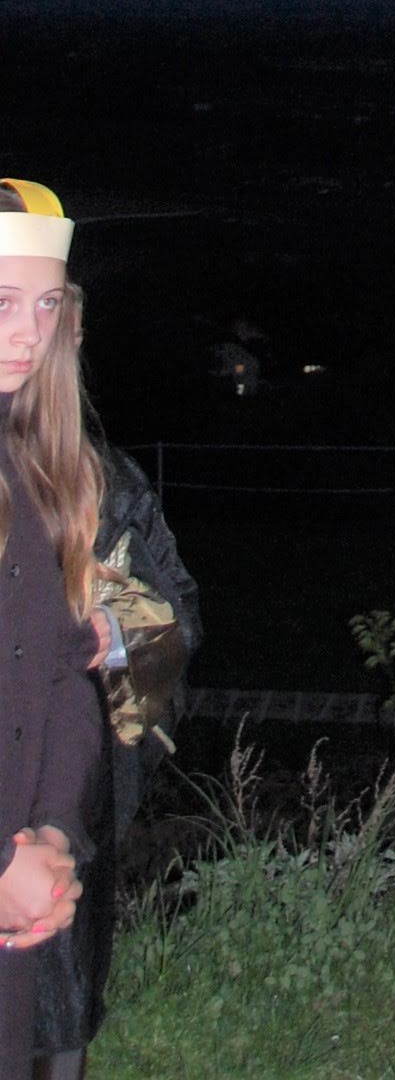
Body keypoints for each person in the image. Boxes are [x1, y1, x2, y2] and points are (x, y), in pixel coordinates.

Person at [33, 444, 199, 1080]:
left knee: (56, 998)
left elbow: (174, 618)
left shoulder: (99, 477)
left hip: (64, 784)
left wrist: (116, 629)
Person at [0, 183, 102, 1080]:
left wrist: (55, 835)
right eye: (2, 302)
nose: (28, 335)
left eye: (45, 305)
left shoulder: (41, 472)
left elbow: (66, 672)